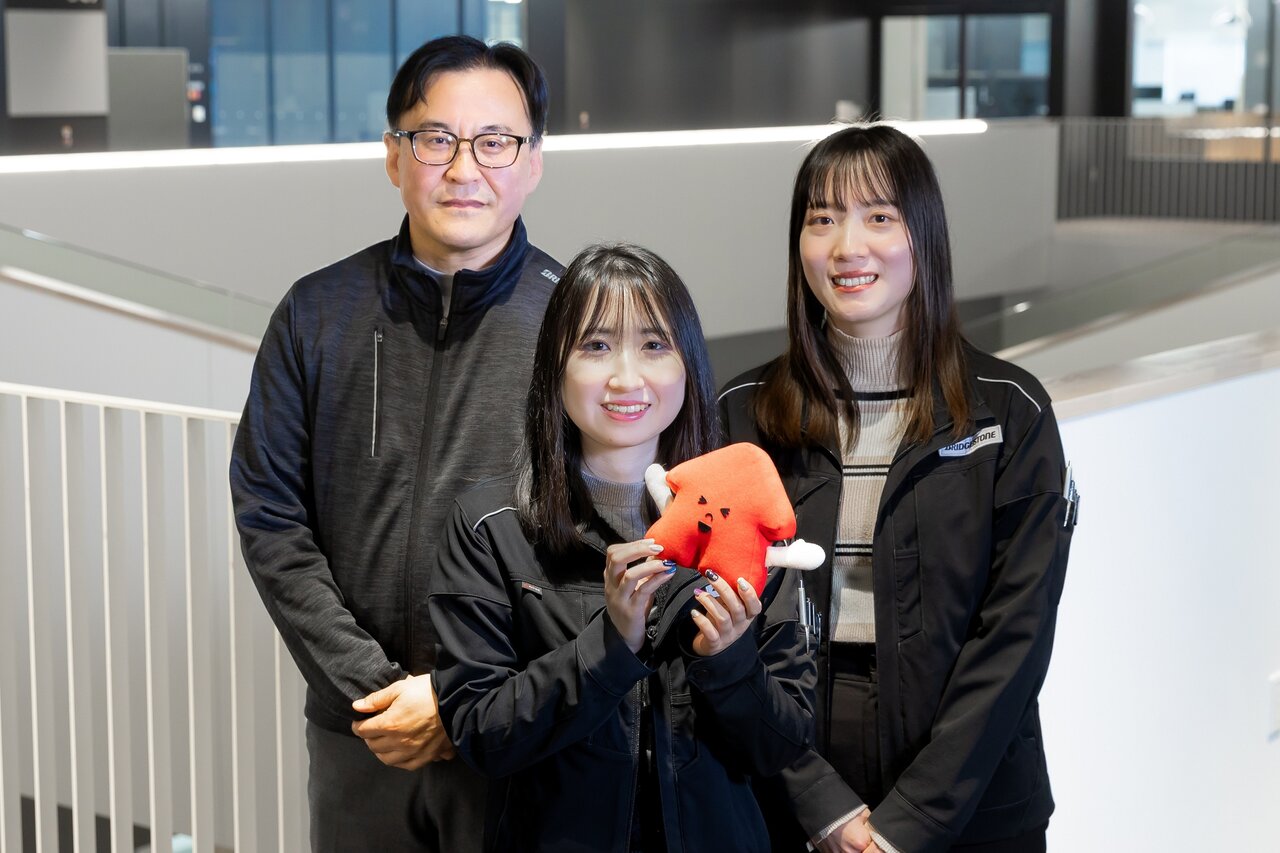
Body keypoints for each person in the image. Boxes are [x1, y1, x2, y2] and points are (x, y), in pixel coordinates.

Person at [229, 35, 563, 852]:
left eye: (495, 142)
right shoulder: (316, 312)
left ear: (533, 162)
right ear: (393, 156)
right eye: (435, 139)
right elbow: (271, 517)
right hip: (363, 733)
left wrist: (463, 700)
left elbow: (601, 540)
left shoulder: (576, 324)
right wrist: (374, 690)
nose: (464, 167)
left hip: (516, 732)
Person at [720, 124, 1076, 853]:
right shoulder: (742, 413)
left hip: (972, 791)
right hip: (788, 781)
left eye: (879, 217)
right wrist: (819, 803)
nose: (848, 246)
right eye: (822, 219)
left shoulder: (1009, 412)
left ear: (924, 237)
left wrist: (909, 825)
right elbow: (725, 638)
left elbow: (1015, 635)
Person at [428, 243, 817, 852]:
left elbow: (783, 746)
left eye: (655, 345)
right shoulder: (491, 527)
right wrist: (611, 644)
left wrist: (729, 659)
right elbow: (480, 733)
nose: (626, 378)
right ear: (554, 366)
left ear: (688, 364)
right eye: (596, 345)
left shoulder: (742, 521)